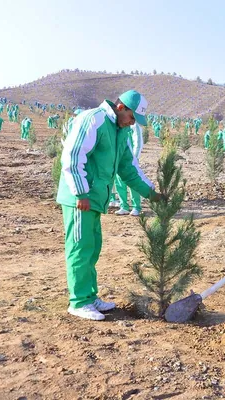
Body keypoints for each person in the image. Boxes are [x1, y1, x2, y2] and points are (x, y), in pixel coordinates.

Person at [57, 90, 162, 321]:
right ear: (122, 107)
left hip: (94, 198)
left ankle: (89, 295)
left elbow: (128, 168)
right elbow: (73, 155)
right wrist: (81, 193)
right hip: (79, 198)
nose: (133, 123)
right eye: (133, 118)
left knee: (92, 247)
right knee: (80, 248)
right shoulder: (94, 119)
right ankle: (79, 301)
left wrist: (152, 194)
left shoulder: (119, 131)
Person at [114, 123, 144, 216]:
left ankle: (136, 207)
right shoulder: (117, 124)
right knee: (119, 182)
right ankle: (124, 206)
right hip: (119, 158)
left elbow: (138, 142)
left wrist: (134, 158)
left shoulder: (134, 125)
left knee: (132, 182)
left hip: (130, 159)